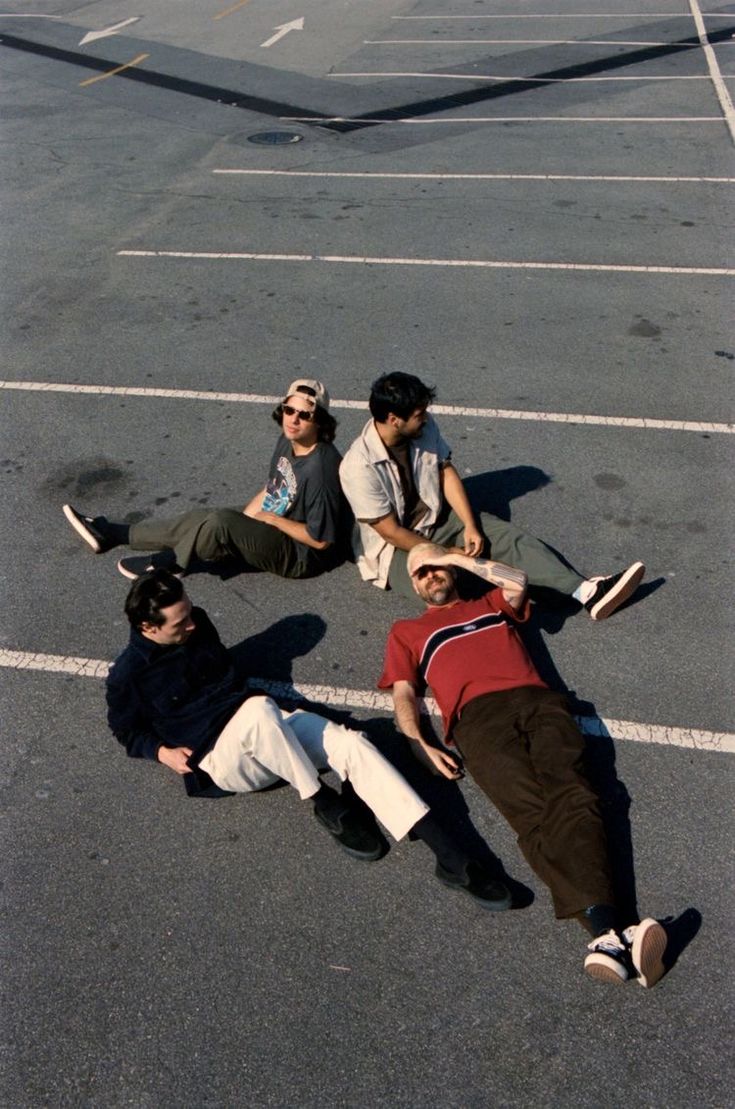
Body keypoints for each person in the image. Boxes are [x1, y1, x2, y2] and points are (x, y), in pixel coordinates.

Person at [106, 568, 513, 909]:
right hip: (224, 759)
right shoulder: (128, 675)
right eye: (181, 623)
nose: (193, 624)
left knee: (355, 743)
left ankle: (452, 859)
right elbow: (125, 729)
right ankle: (324, 801)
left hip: (266, 729)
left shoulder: (200, 624)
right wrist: (160, 751)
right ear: (148, 627)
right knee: (260, 709)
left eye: (191, 613)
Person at [377, 541, 668, 986]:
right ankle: (616, 928)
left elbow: (517, 582)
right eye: (420, 573)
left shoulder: (489, 602)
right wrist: (420, 742)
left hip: (538, 703)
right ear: (412, 586)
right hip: (477, 723)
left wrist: (453, 556)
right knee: (531, 816)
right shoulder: (407, 631)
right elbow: (403, 694)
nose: (430, 575)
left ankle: (608, 935)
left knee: (576, 793)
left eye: (435, 567)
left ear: (450, 570)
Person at [339, 372, 645, 615]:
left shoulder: (423, 426)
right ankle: (494, 622)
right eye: (419, 414)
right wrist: (445, 553)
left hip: (438, 517)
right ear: (394, 419)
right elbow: (391, 532)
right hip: (396, 548)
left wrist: (470, 525)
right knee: (444, 585)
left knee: (506, 539)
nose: (426, 417)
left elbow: (445, 470)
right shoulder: (358, 466)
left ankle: (587, 593)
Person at [63, 379, 346, 581]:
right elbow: (274, 488)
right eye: (289, 410)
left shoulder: (321, 469)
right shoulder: (289, 440)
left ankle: (171, 563)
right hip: (279, 524)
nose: (293, 419)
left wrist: (269, 521)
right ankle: (114, 533)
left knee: (220, 524)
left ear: (319, 421)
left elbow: (320, 541)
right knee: (205, 517)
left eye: (304, 415)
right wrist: (247, 521)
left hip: (300, 556)